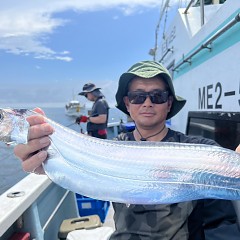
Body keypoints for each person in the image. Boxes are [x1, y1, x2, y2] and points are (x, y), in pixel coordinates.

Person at [14, 61, 240, 239]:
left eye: (158, 96)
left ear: (169, 103)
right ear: (128, 104)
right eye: (138, 96)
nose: (147, 102)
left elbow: (221, 221)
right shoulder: (108, 149)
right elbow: (78, 170)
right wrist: (46, 160)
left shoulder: (200, 150)